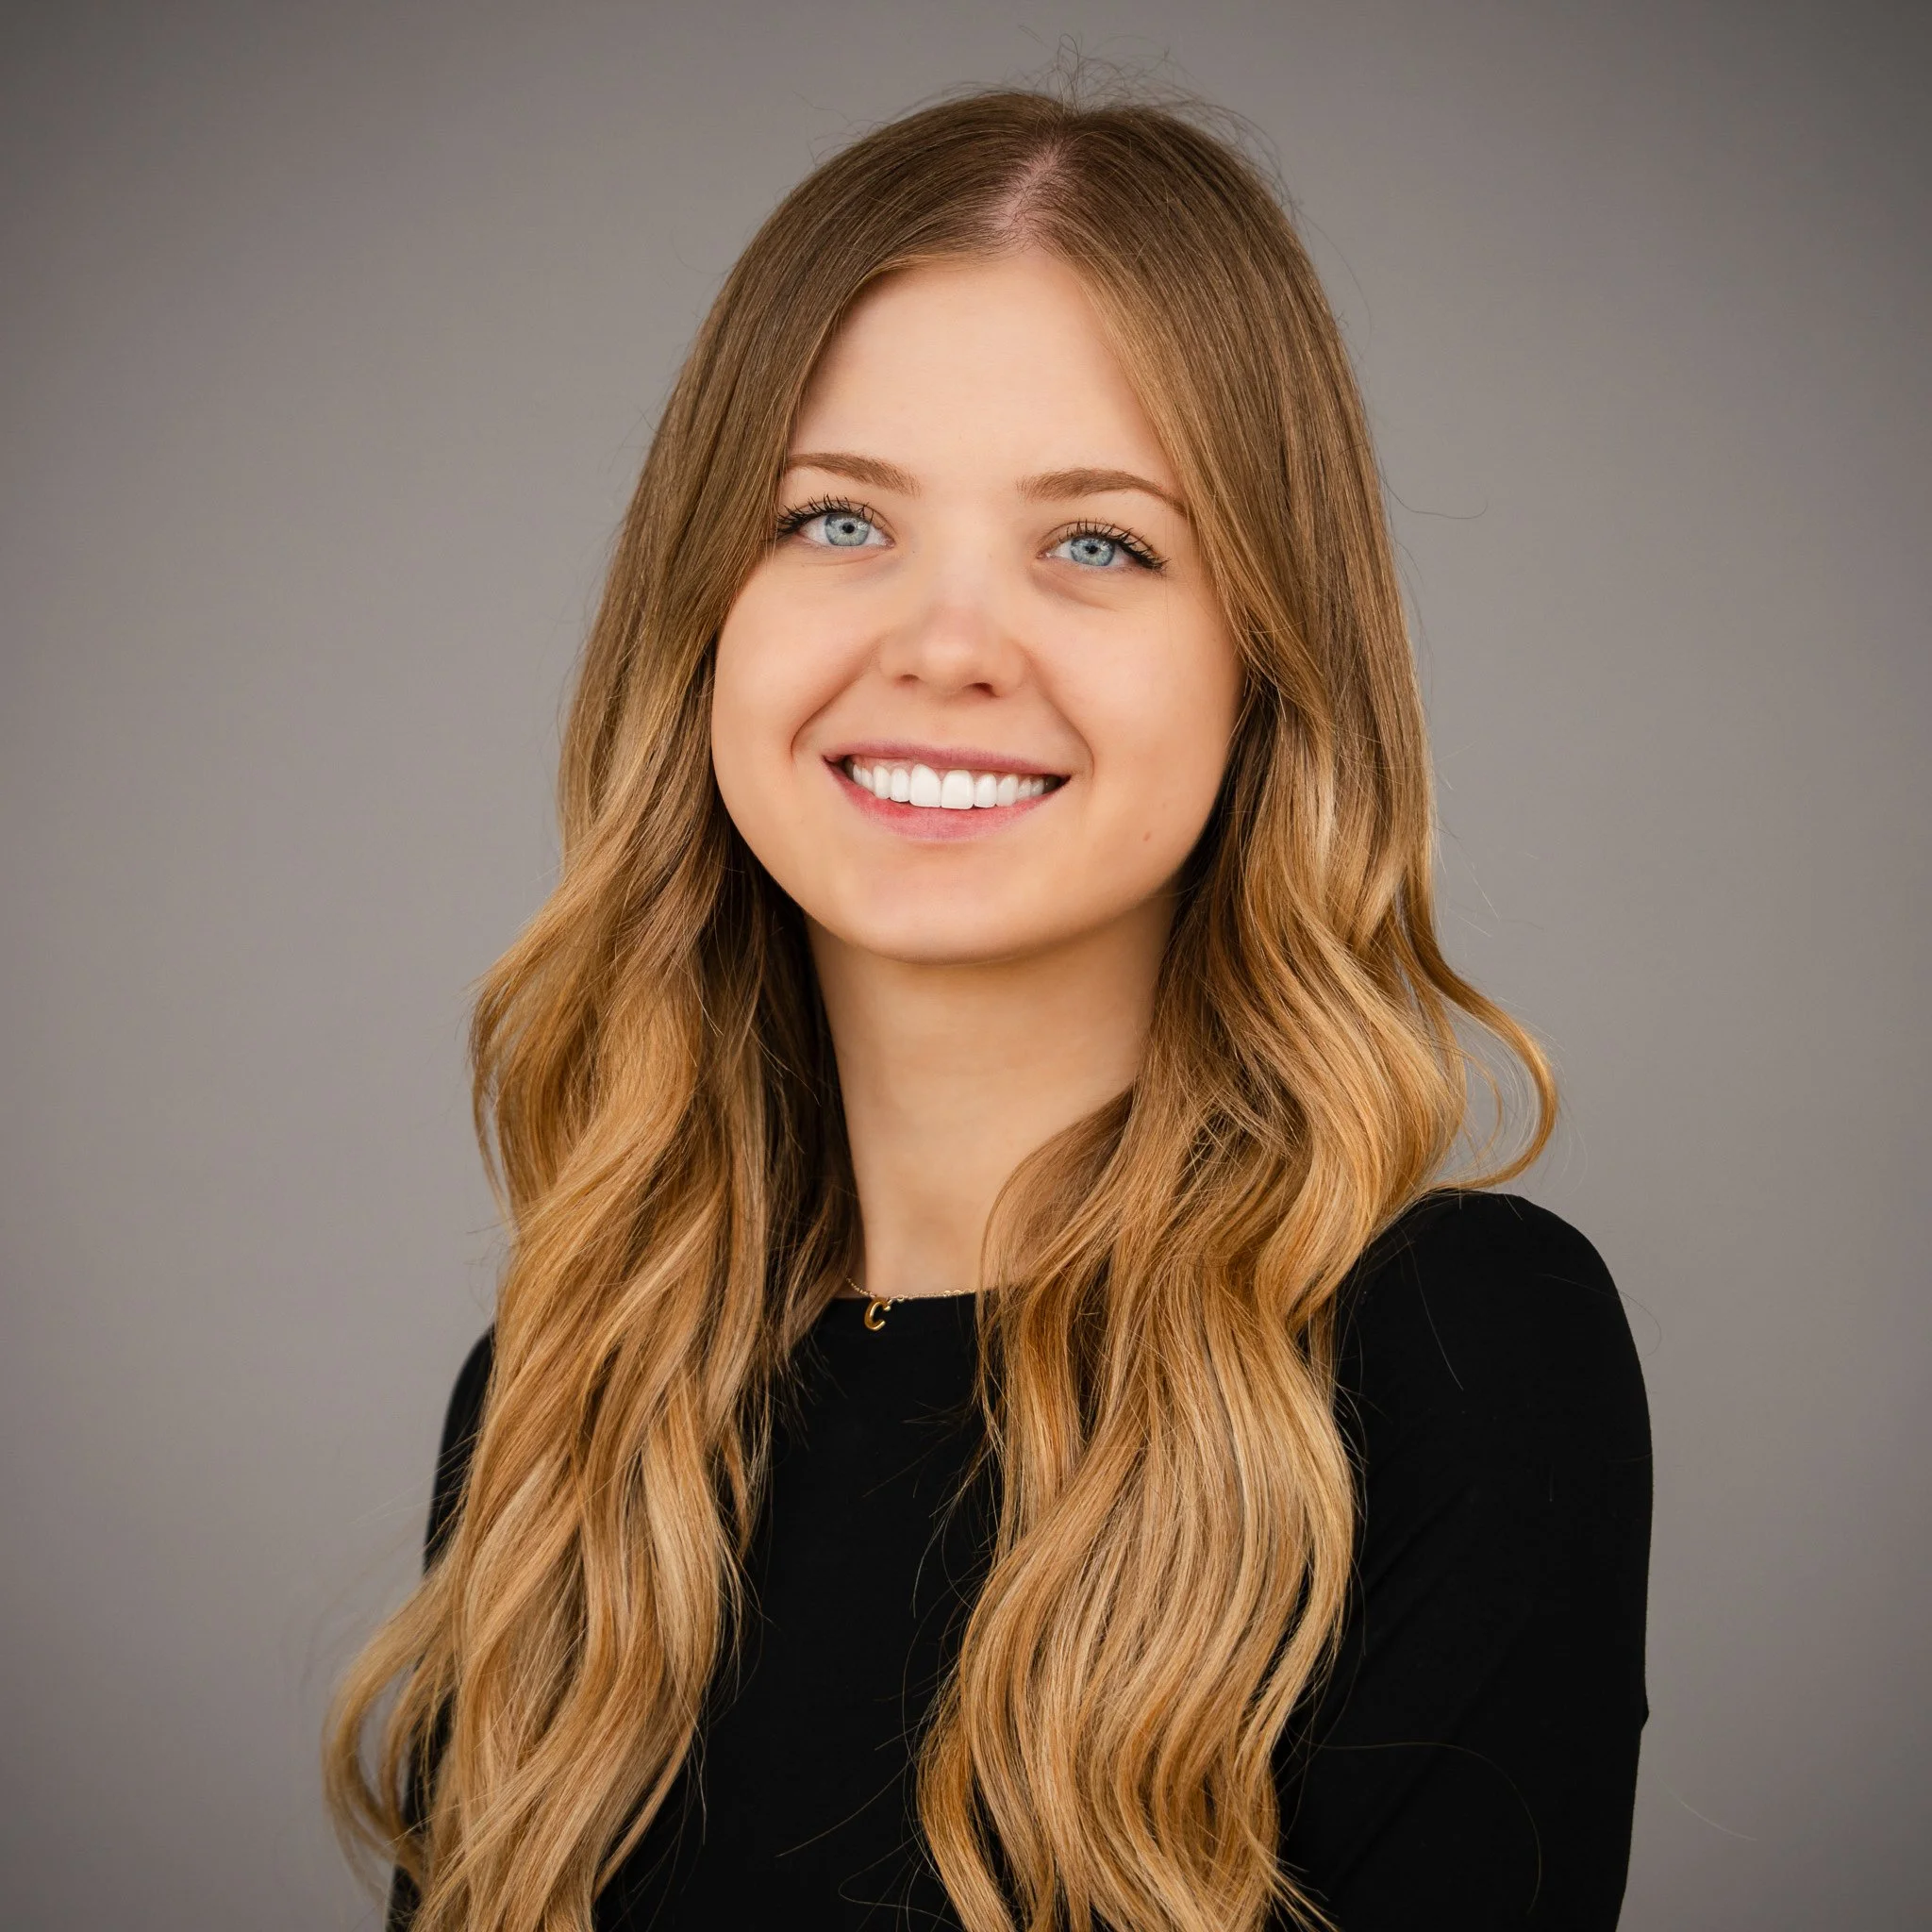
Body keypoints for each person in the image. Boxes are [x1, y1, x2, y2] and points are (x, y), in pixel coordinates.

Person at [326, 85, 1651, 1932]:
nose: (945, 642)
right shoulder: (564, 1403)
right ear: (698, 613)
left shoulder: (1448, 1372)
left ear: (1265, 664)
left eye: (1098, 543)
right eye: (834, 520)